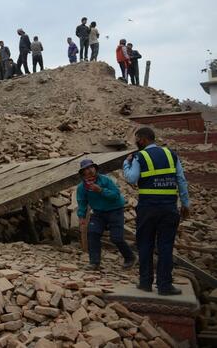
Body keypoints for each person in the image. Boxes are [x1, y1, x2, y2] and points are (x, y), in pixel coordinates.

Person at [123, 127, 190, 296]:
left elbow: (131, 178)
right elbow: (181, 180)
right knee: (166, 246)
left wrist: (126, 163)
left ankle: (145, 283)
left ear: (143, 140)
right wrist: (185, 203)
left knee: (145, 245)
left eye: (137, 139)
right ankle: (165, 286)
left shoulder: (140, 156)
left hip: (148, 208)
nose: (136, 143)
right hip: (169, 208)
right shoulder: (171, 154)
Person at [76, 158, 136, 271]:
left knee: (116, 238)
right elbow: (82, 202)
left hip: (115, 210)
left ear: (95, 168)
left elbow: (116, 195)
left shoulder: (105, 180)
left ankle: (130, 257)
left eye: (91, 167)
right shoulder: (82, 187)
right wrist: (81, 217)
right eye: (86, 169)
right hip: (98, 213)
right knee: (93, 233)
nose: (89, 171)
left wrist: (101, 191)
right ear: (83, 173)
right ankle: (94, 263)